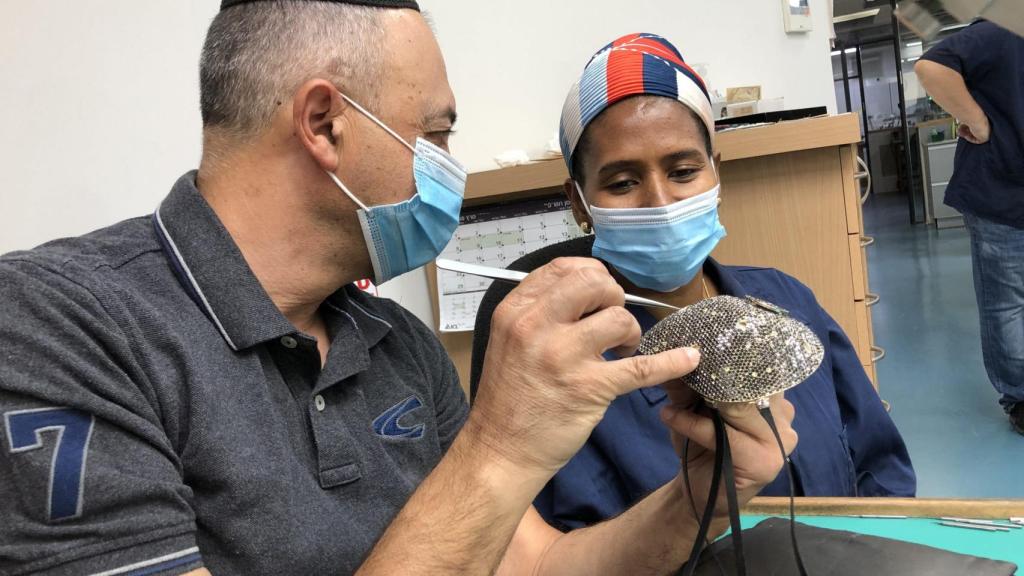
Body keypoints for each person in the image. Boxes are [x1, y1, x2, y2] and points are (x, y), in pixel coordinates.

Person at [0, 3, 797, 575]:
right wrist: (499, 449)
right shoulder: (55, 324)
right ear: (324, 123)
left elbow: (541, 563)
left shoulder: (396, 343)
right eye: (439, 132)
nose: (451, 161)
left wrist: (699, 500)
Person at [470, 33, 915, 531]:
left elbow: (882, 469)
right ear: (578, 203)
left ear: (716, 174)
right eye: (622, 183)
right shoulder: (559, 365)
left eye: (683, 171)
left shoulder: (786, 300)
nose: (660, 202)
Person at [915, 20, 1024, 435]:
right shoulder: (1003, 30)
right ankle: (1020, 396)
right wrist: (976, 120)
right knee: (1007, 302)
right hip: (1000, 188)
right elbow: (931, 67)